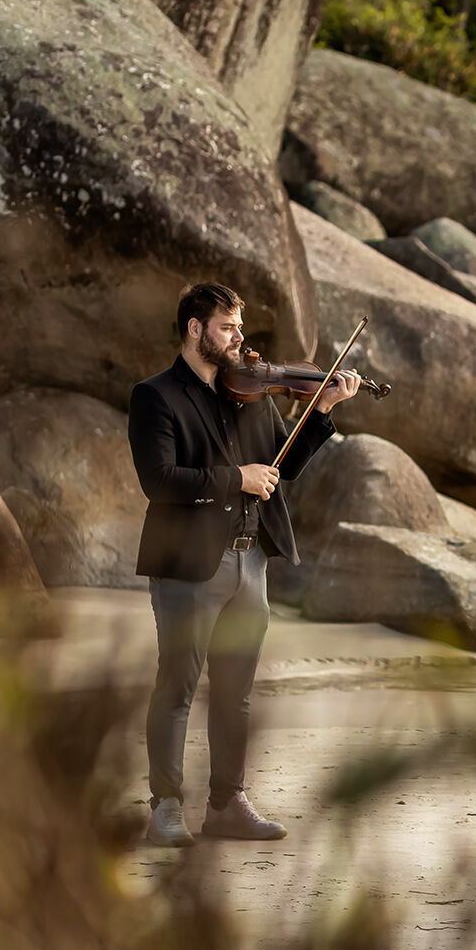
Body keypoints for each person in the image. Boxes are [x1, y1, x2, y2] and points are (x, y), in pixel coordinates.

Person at [130, 282, 361, 847]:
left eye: (240, 328)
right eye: (229, 327)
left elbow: (286, 467)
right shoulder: (155, 396)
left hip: (250, 562)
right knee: (178, 687)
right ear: (194, 329)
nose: (241, 339)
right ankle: (165, 808)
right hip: (188, 566)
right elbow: (157, 481)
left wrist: (322, 410)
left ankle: (228, 805)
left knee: (235, 693)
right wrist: (236, 478)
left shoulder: (251, 395)